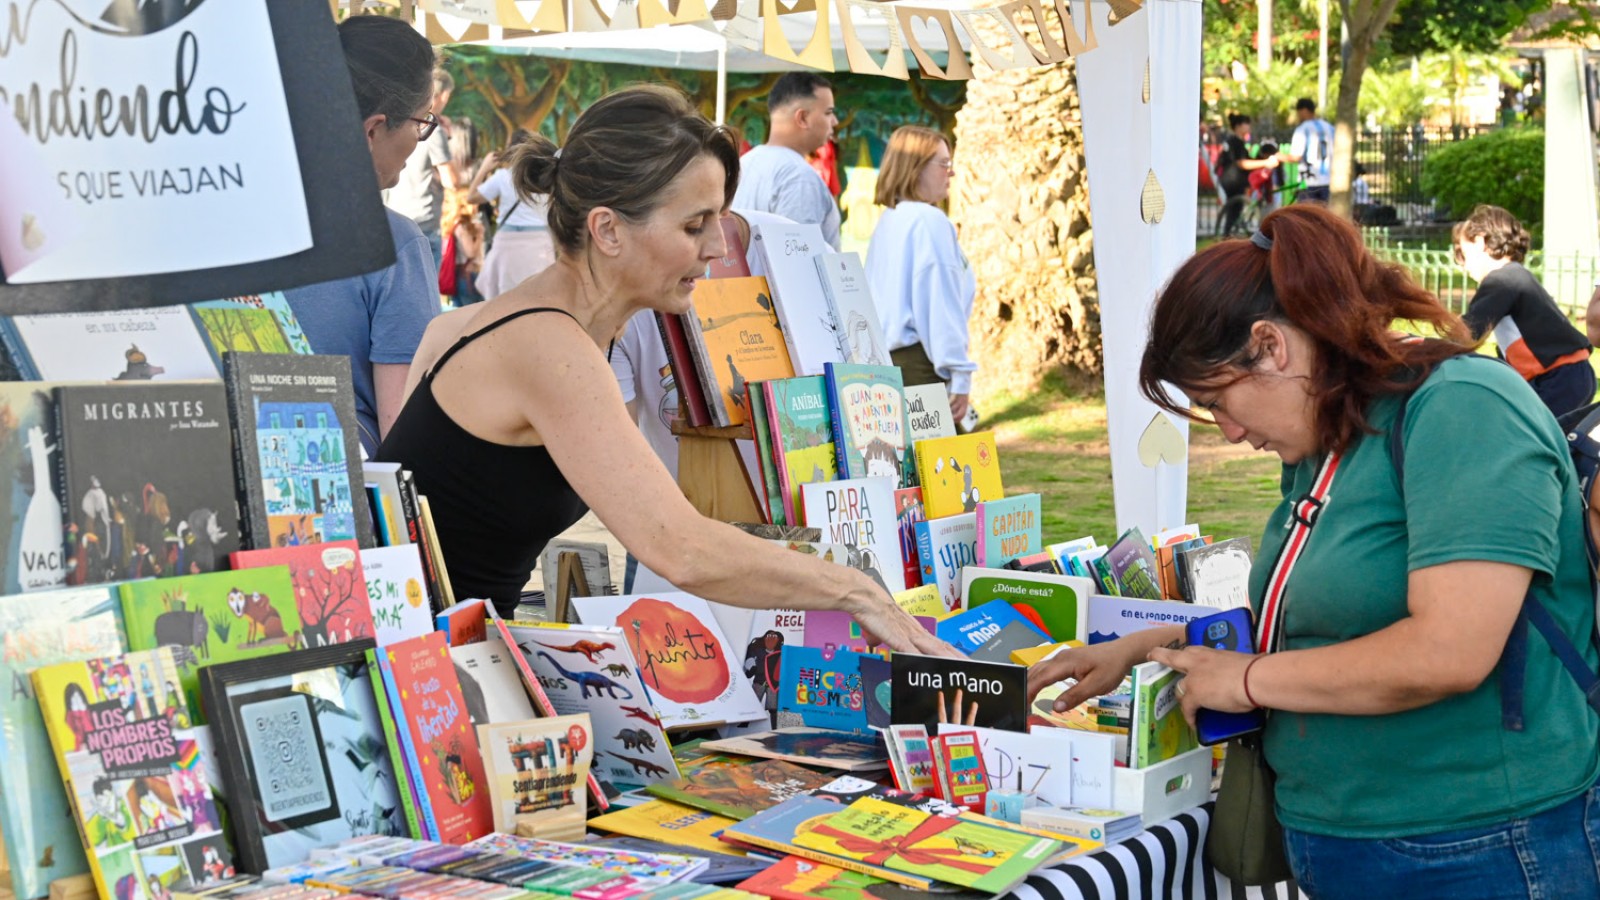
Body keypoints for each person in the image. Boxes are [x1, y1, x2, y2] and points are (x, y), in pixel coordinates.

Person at [1028, 205, 1600, 898]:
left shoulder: (1463, 408)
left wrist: (1243, 681)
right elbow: (1321, 616)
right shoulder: (1334, 432)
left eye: (1219, 400)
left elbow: (1447, 652)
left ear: (1271, 345)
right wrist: (1151, 644)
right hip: (1355, 839)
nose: (1229, 432)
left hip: (1479, 844)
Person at [375, 85, 952, 658]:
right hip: (418, 675)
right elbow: (681, 548)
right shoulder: (552, 348)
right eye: (694, 224)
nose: (718, 246)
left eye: (718, 219)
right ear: (607, 230)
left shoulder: (491, 326)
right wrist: (859, 592)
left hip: (431, 656)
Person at [284, 15, 440, 455]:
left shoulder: (229, 224)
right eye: (422, 121)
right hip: (340, 499)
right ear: (372, 130)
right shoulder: (392, 243)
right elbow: (404, 434)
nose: (420, 138)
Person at [865, 126, 975, 428]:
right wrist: (959, 375)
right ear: (915, 168)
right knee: (948, 471)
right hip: (921, 368)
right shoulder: (929, 221)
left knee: (907, 472)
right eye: (943, 164)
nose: (950, 174)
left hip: (885, 368)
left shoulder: (891, 220)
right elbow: (940, 304)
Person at [1454, 204, 1594, 419]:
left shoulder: (1502, 280)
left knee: (1539, 440)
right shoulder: (1514, 277)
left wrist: (1430, 349)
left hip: (1558, 377)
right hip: (1565, 375)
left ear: (1481, 241)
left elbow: (1468, 331)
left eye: (1462, 253)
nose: (1462, 265)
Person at [730, 73, 842, 250]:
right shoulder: (799, 177)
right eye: (828, 112)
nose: (834, 122)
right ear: (802, 118)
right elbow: (799, 262)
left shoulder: (744, 164)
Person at [386, 69, 459, 273]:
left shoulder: (402, 123)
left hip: (394, 213)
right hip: (423, 221)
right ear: (443, 95)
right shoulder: (433, 131)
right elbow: (452, 181)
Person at [469, 129, 557, 298]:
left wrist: (484, 169)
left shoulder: (502, 176)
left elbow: (471, 197)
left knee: (503, 297)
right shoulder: (548, 177)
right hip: (538, 240)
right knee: (539, 297)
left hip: (507, 241)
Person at [1215, 114, 1279, 236]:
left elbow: (1249, 161)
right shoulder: (1235, 142)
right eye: (1246, 124)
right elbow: (1242, 163)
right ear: (1238, 126)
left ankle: (1228, 236)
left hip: (1236, 181)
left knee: (1236, 212)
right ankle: (1226, 237)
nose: (1249, 127)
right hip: (1232, 181)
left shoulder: (1239, 143)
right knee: (1233, 212)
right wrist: (1265, 162)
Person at [1277, 98, 1334, 203]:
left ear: (1303, 111)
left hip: (1309, 182)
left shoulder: (1303, 129)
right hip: (1328, 181)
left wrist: (1278, 156)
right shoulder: (1329, 128)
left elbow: (1296, 157)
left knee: (1307, 217)